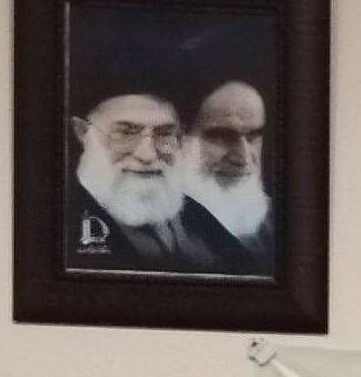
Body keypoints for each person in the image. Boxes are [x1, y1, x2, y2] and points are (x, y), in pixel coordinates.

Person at [62, 63, 217, 271]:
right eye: (125, 133)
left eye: (164, 134)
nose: (148, 155)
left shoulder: (196, 218)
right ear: (83, 133)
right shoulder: (61, 222)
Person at [179, 74, 276, 271]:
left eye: (254, 136)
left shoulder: (280, 223)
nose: (243, 157)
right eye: (223, 136)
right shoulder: (155, 232)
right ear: (181, 138)